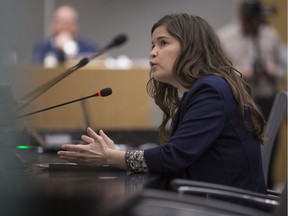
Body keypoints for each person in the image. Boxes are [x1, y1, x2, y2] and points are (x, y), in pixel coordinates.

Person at [58, 13, 267, 194]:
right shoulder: (207, 88)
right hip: (212, 200)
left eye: (163, 43)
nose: (152, 52)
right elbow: (179, 153)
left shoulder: (210, 91)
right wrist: (119, 153)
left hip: (224, 208)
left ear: (191, 48)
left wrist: (110, 157)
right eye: (152, 45)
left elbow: (173, 158)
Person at [217, 0, 284, 120]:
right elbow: (218, 71)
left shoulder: (271, 34)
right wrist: (241, 73)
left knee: (272, 137)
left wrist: (275, 72)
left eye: (256, 20)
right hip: (240, 100)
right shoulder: (224, 37)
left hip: (268, 98)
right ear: (241, 17)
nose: (253, 24)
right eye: (249, 20)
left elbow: (282, 67)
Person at [32, 5, 97, 66]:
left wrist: (69, 48)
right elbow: (36, 70)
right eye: (58, 22)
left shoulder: (88, 47)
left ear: (75, 26)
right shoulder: (42, 47)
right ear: (52, 25)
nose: (62, 27)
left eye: (67, 23)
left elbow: (91, 67)